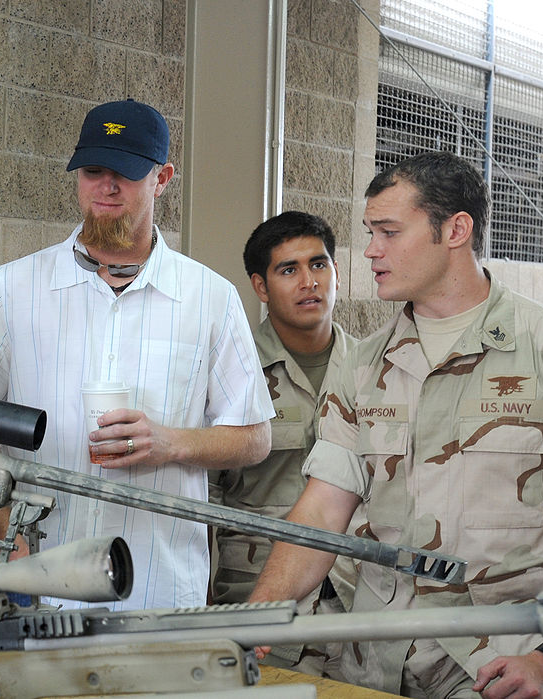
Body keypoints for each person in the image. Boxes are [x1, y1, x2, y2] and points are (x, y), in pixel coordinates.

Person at [248, 151, 543, 698]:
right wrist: (258, 613)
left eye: (389, 232)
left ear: (456, 230)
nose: (371, 250)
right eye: (370, 232)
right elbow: (321, 511)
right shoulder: (362, 364)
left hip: (500, 666)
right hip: (373, 664)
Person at [0, 98, 273, 611]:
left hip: (160, 593)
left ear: (162, 178)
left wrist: (171, 443)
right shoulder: (11, 289)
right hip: (41, 590)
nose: (106, 187)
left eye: (124, 173)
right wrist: (12, 552)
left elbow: (255, 437)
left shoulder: (209, 297)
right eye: (92, 171)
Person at [210, 211, 358, 677]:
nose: (309, 282)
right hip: (260, 600)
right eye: (288, 270)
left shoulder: (375, 369)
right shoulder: (233, 371)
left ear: (336, 272)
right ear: (260, 286)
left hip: (360, 603)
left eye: (319, 264)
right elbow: (201, 496)